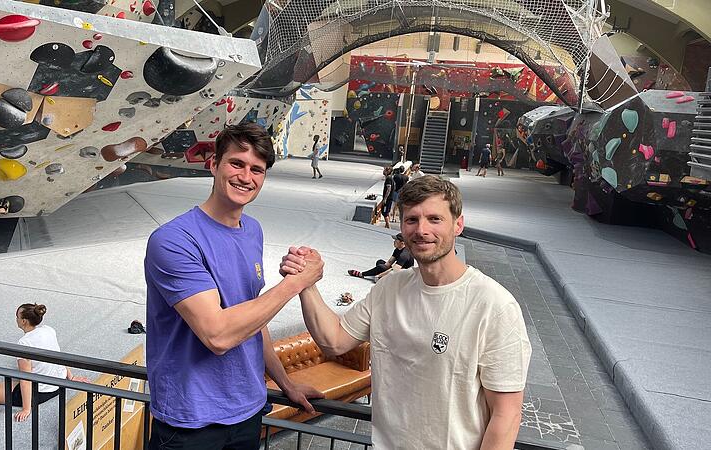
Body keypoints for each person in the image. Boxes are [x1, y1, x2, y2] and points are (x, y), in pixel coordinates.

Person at [281, 176, 531, 449]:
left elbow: (506, 414)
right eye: (412, 220)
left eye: (435, 219)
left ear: (458, 224)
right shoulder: (390, 288)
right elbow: (335, 340)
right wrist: (304, 282)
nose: (421, 230)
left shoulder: (494, 306)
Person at [144, 123, 324, 450]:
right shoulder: (173, 240)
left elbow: (254, 319)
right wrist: (296, 283)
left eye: (257, 170)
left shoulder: (252, 230)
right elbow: (218, 335)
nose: (246, 176)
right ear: (213, 165)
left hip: (247, 410)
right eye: (236, 164)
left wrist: (286, 383)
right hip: (192, 420)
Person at [0, 303, 89, 422]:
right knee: (11, 376)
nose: (16, 319)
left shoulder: (24, 343)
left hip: (40, 392)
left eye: (17, 317)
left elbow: (25, 379)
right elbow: (58, 355)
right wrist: (71, 377)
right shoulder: (48, 329)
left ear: (24, 321)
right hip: (59, 384)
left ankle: (23, 399)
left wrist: (26, 409)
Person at [347, 233, 414, 282]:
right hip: (398, 271)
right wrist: (381, 272)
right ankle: (382, 278)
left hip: (404, 276)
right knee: (380, 262)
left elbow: (395, 269)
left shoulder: (404, 254)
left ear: (402, 243)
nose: (394, 241)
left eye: (396, 240)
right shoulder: (397, 249)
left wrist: (379, 275)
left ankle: (361, 274)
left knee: (381, 267)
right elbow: (389, 263)